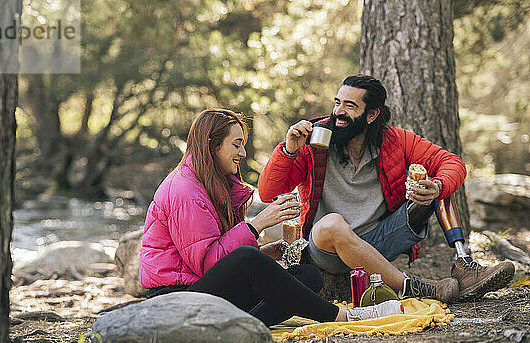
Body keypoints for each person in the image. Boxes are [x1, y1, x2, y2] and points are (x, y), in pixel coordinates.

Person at [258, 75, 514, 303]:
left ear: (372, 115)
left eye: (350, 106)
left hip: (379, 240)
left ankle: (463, 263)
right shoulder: (315, 139)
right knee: (331, 224)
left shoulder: (396, 141)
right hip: (326, 249)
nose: (339, 112)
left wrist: (436, 187)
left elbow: (451, 162)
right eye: (337, 103)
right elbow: (268, 192)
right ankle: (411, 287)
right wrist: (288, 149)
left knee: (442, 183)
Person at [139, 108, 404, 327]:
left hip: (202, 292)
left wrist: (264, 254)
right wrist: (257, 225)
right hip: (175, 300)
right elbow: (208, 266)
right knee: (248, 258)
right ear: (212, 145)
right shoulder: (184, 190)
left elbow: (216, 257)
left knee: (308, 276)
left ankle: (245, 326)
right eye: (237, 145)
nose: (242, 153)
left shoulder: (210, 184)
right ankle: (347, 316)